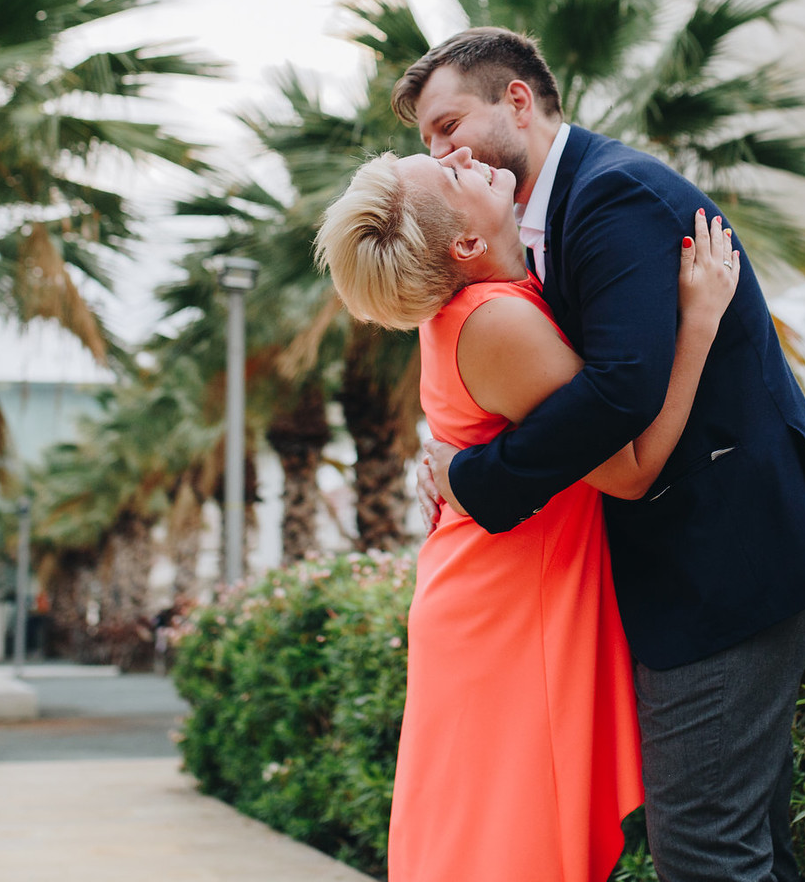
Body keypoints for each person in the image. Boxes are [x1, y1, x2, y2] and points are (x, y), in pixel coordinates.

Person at [401, 27, 805, 882]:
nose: (440, 152)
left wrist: (475, 479)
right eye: (429, 141)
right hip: (688, 563)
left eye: (446, 125)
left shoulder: (614, 196)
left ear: (516, 99)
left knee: (703, 850)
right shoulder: (535, 224)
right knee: (744, 843)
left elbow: (618, 395)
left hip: (724, 559)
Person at [315, 148, 743, 882]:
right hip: (508, 610)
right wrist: (698, 320)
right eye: (447, 173)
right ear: (466, 245)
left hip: (497, 590)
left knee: (488, 836)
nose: (460, 156)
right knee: (509, 848)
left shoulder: (483, 301)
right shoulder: (492, 320)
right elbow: (632, 469)